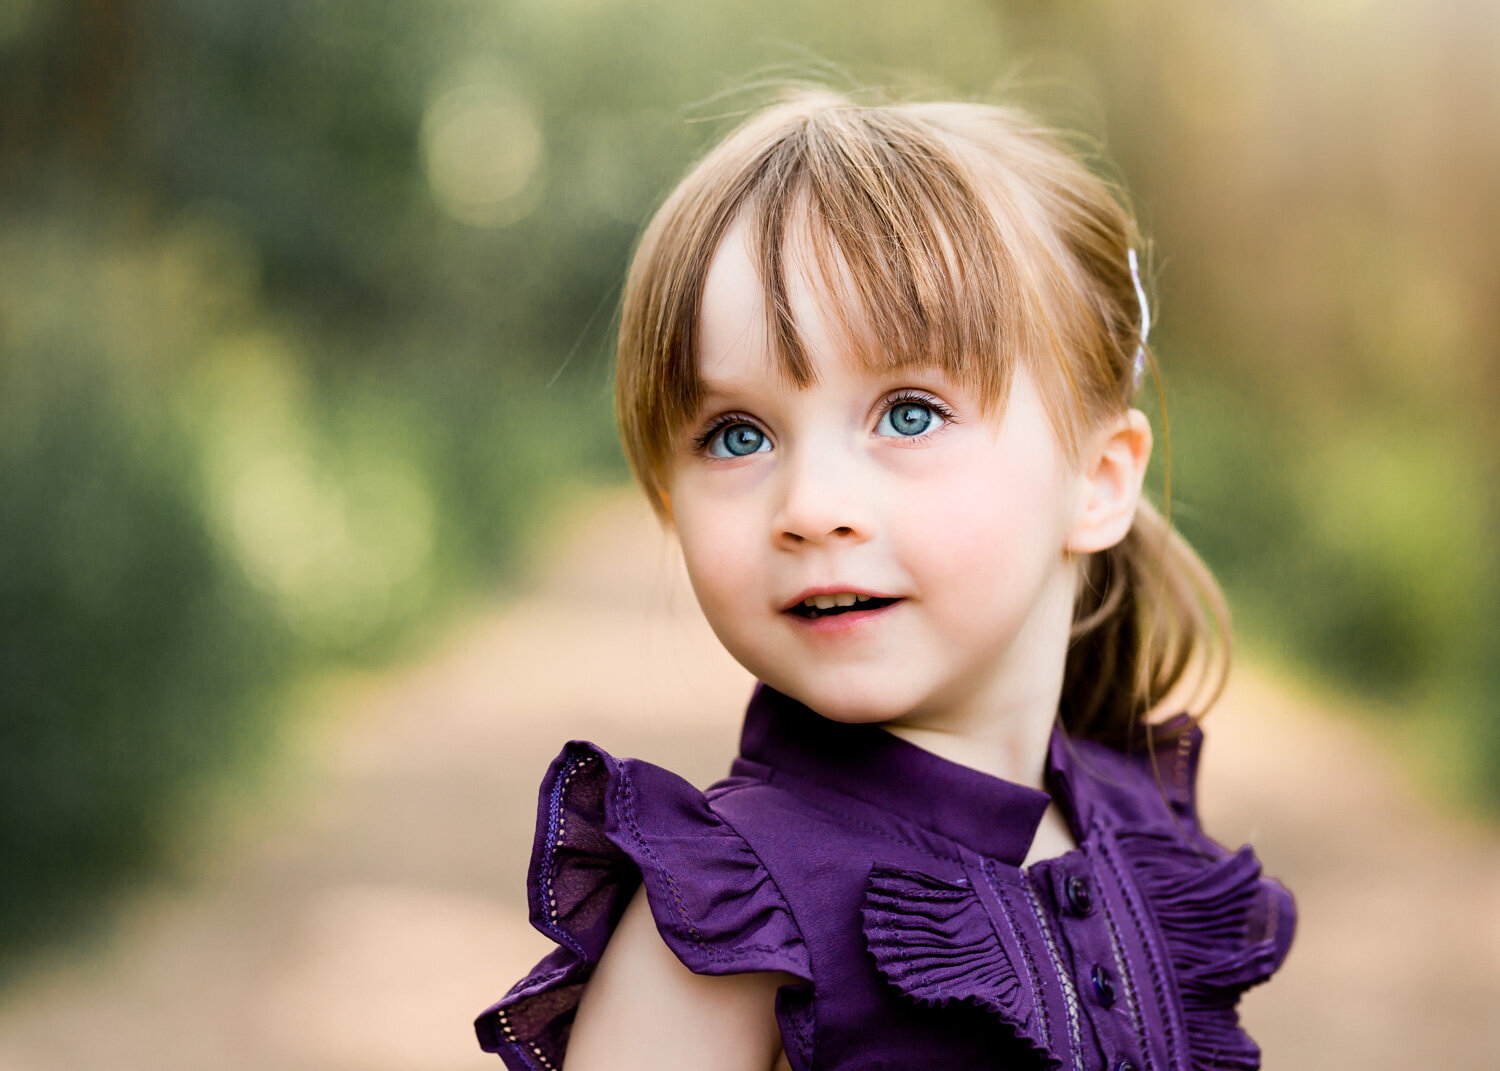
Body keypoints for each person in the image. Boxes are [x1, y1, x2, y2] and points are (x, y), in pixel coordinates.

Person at [474, 88, 1296, 1071]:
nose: (812, 505)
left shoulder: (1137, 829)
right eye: (738, 435)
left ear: (1098, 480)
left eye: (909, 414)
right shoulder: (728, 921)